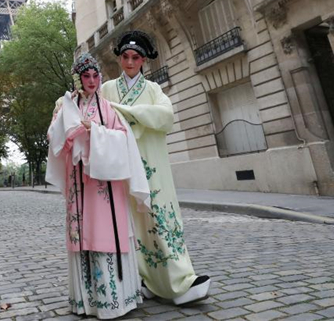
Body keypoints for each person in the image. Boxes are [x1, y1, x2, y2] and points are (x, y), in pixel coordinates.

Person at [100, 31, 211, 306]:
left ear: (143, 61)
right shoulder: (106, 89)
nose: (129, 62)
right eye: (125, 57)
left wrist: (124, 112)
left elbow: (166, 117)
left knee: (160, 217)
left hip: (151, 162)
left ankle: (180, 281)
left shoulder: (153, 90)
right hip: (120, 163)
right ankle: (144, 280)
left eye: (135, 58)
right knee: (129, 223)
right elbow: (97, 115)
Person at [47, 53, 150, 319]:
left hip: (104, 187)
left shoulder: (107, 108)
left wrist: (96, 132)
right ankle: (86, 301)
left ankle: (115, 301)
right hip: (78, 186)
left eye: (95, 76)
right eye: (86, 76)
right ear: (78, 79)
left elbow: (124, 139)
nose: (92, 81)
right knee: (82, 236)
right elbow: (53, 136)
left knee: (105, 233)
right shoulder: (66, 105)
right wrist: (68, 130)